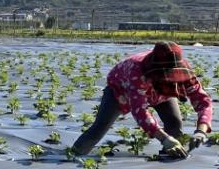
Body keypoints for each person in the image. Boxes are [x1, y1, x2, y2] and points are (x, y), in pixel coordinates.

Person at [72, 41, 212, 159]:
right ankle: (74, 155)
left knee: (174, 123)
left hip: (161, 94)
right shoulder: (137, 70)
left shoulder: (182, 69)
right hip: (121, 91)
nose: (168, 78)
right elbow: (140, 111)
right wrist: (164, 138)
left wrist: (201, 130)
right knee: (100, 126)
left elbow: (202, 100)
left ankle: (168, 157)